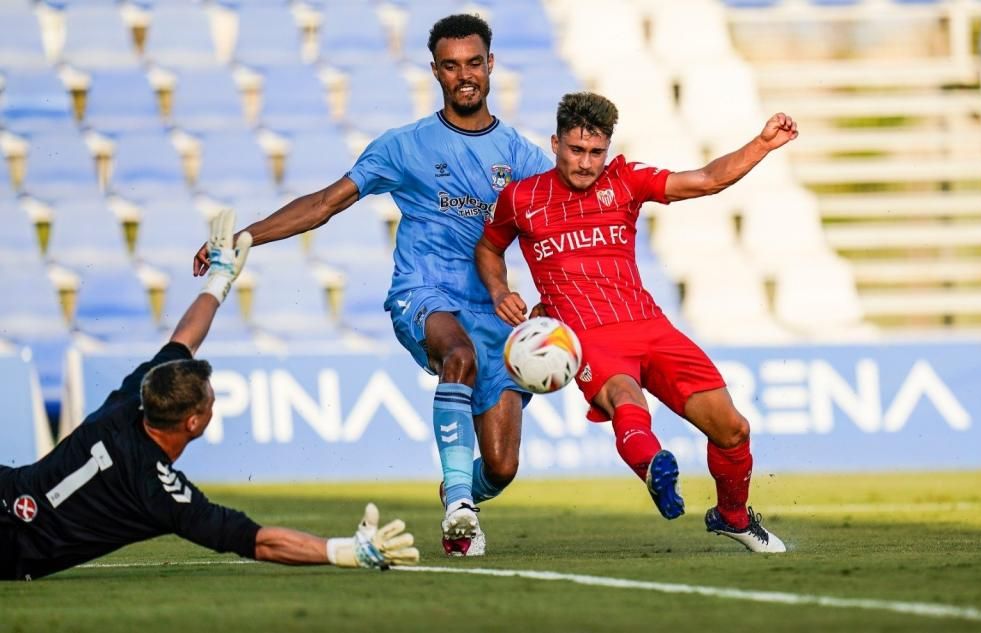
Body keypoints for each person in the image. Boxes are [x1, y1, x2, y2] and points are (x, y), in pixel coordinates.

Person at [192, 15, 551, 557]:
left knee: (501, 467)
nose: (464, 75)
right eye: (451, 66)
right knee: (456, 354)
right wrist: (247, 236)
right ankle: (458, 507)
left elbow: (560, 226)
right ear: (435, 72)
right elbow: (324, 204)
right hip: (423, 294)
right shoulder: (404, 146)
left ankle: (464, 493)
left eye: (473, 63)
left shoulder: (522, 158)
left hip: (491, 312)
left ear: (491, 65)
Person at [0, 211, 419, 580]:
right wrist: (343, 551)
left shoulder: (130, 400)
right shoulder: (158, 493)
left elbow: (184, 340)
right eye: (211, 400)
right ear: (194, 422)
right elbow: (256, 541)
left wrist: (220, 279)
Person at [476, 92, 798, 553]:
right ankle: (655, 469)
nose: (586, 163)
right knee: (626, 400)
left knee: (734, 430)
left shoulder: (624, 181)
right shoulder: (521, 199)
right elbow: (488, 249)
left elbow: (706, 179)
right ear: (555, 143)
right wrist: (500, 291)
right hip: (585, 335)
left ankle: (732, 516)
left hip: (650, 325)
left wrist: (761, 144)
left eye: (595, 152)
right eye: (576, 150)